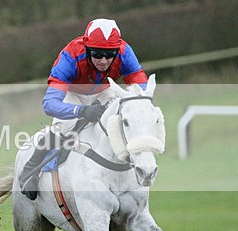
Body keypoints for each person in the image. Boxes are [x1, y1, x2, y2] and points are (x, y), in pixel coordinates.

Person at [19, 18, 148, 200]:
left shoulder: (125, 52)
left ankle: (137, 165)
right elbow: (50, 104)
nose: (104, 60)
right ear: (87, 49)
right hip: (73, 95)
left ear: (117, 50)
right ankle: (29, 172)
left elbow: (140, 87)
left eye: (110, 54)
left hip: (105, 91)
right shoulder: (70, 55)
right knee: (63, 128)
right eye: (97, 54)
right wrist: (82, 111)